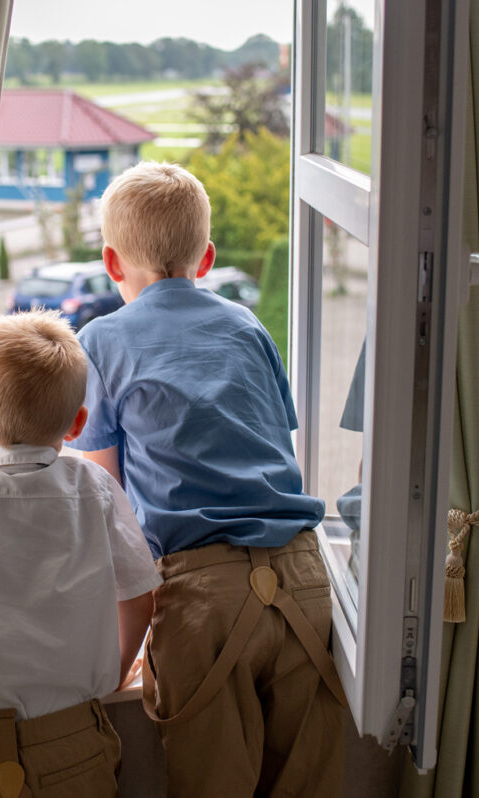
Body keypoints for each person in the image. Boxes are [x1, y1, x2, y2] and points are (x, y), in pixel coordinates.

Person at [72, 162, 348, 797]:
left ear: (112, 264)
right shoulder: (248, 327)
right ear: (208, 256)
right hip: (304, 579)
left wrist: (126, 630)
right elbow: (277, 442)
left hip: (203, 600)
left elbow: (109, 510)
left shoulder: (102, 341)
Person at [0, 310, 161, 798]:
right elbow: (141, 600)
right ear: (79, 423)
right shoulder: (94, 487)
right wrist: (115, 674)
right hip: (75, 739)